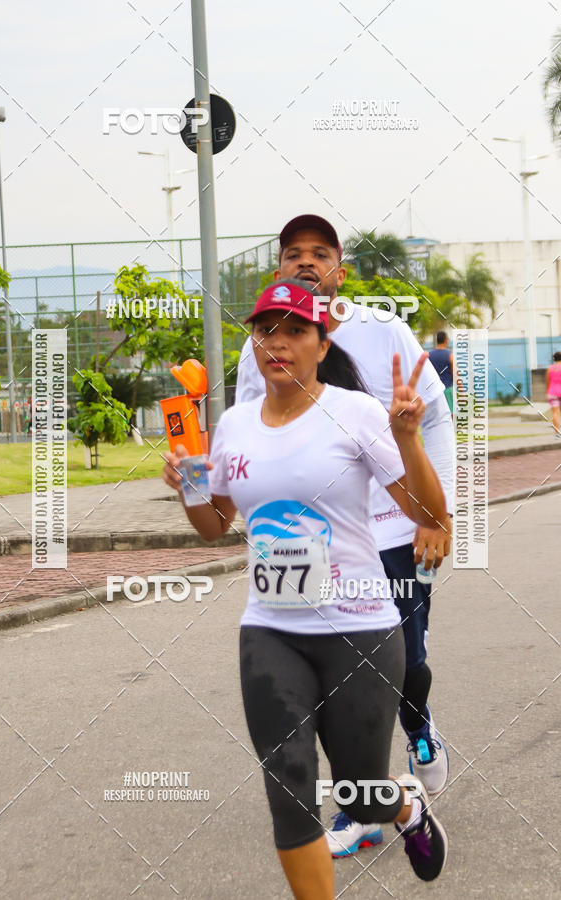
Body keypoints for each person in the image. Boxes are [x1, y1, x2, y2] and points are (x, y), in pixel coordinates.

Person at [163, 280, 449, 897]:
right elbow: (214, 525)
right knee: (289, 788)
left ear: (322, 343)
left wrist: (407, 439)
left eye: (295, 330)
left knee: (359, 792)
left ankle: (403, 809)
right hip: (271, 630)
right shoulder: (235, 425)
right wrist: (188, 484)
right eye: (266, 330)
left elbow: (430, 512)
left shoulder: (357, 413)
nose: (279, 343)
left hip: (362, 628)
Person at [236, 215, 454, 857]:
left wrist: (434, 518)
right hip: (310, 543)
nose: (306, 262)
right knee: (327, 680)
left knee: (405, 664)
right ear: (278, 269)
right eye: (293, 254)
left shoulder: (381, 328)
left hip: (394, 529)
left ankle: (419, 726)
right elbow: (257, 432)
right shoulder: (263, 345)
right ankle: (358, 809)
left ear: (341, 269)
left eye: (320, 254)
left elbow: (433, 416)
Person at [428, 331, 454, 413]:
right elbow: (456, 374)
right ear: (446, 340)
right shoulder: (450, 355)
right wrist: (462, 392)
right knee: (450, 414)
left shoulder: (429, 355)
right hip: (446, 390)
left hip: (434, 391)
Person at [546, 351, 561, 437]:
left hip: (552, 392)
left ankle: (557, 433)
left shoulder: (550, 368)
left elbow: (548, 381)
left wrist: (547, 391)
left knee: (555, 412)